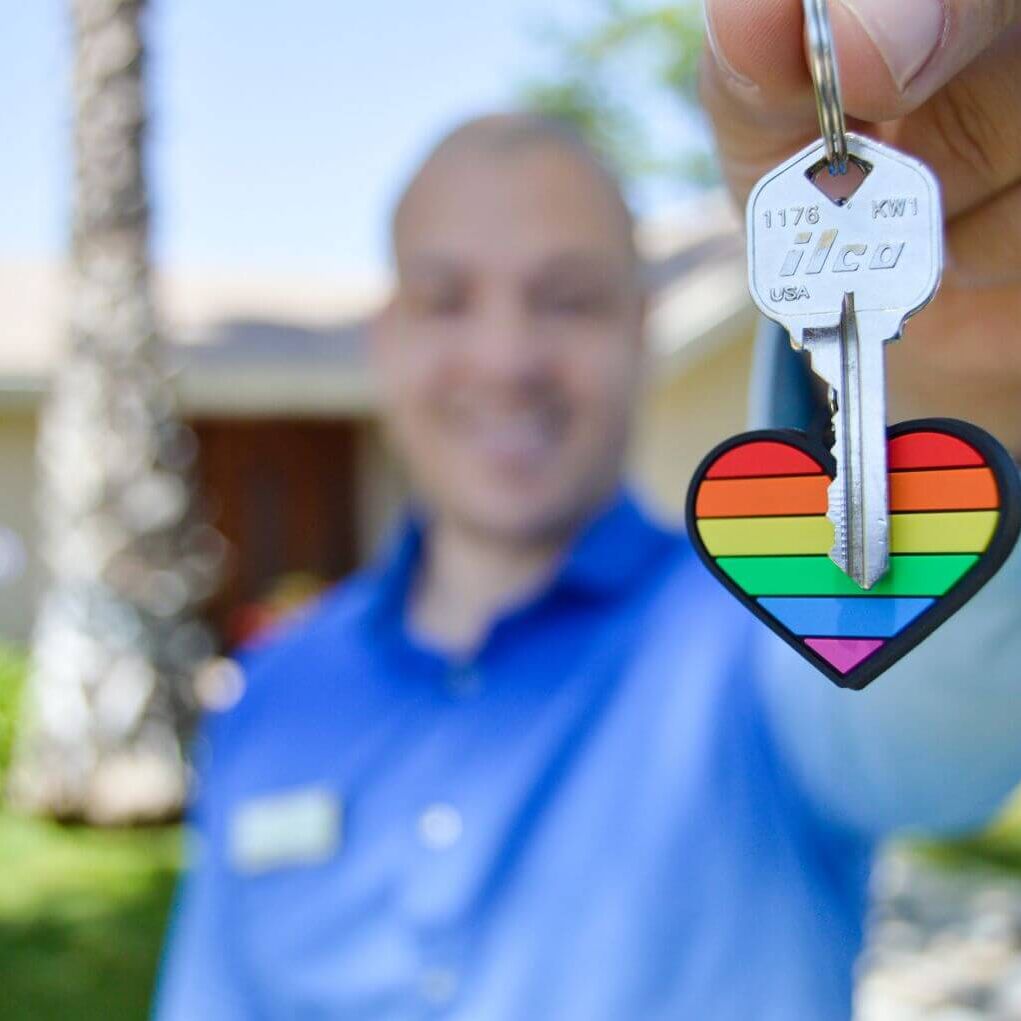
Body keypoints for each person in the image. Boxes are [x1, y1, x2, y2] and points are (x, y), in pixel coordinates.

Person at [155, 3, 1021, 1018]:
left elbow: (936, 760)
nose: (507, 359)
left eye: (566, 298)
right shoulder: (272, 695)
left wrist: (935, 377)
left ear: (639, 330)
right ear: (386, 339)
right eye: (446, 299)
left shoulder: (768, 632)